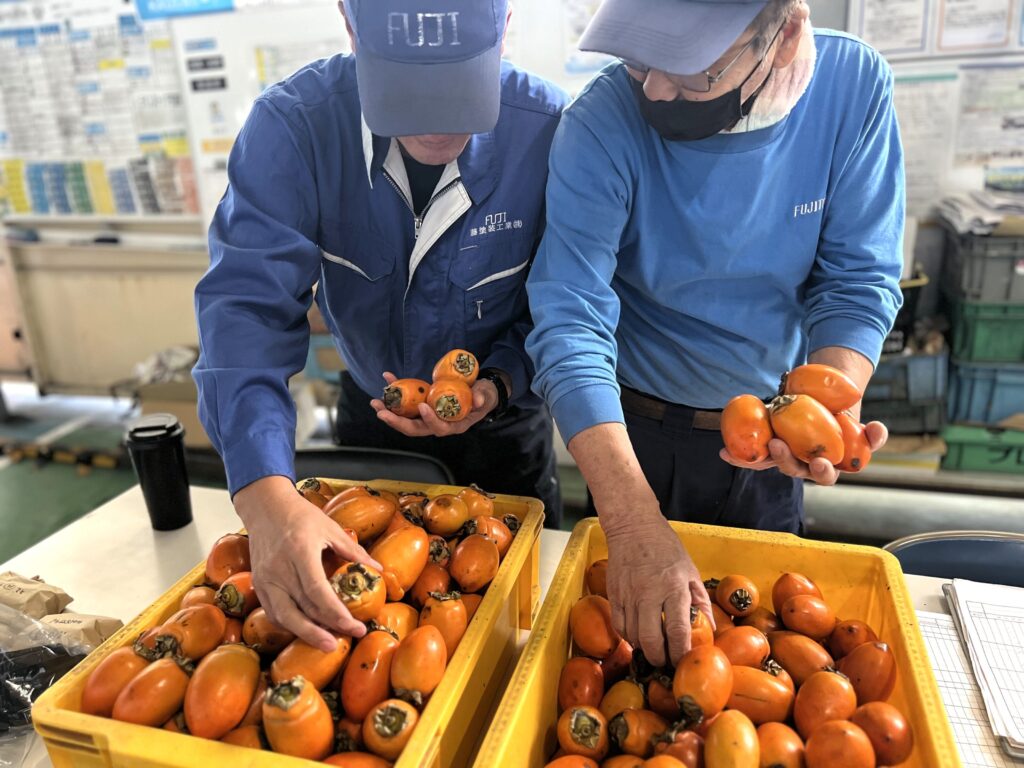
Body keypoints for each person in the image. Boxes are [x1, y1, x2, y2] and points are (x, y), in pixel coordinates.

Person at [526, 0, 903, 667]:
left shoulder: (851, 88)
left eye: (692, 70)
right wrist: (633, 520)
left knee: (765, 649)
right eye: (639, 59)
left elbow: (855, 277)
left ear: (781, 37)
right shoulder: (601, 122)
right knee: (626, 651)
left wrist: (827, 407)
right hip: (633, 442)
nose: (656, 90)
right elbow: (569, 317)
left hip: (772, 436)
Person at [193, 0, 567, 651]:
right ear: (349, 23)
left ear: (505, 27)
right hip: (373, 418)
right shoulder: (297, 129)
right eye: (409, 91)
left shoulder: (551, 133)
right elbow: (245, 312)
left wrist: (500, 383)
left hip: (506, 434)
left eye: (457, 87)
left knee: (516, 640)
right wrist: (264, 497)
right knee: (364, 627)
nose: (436, 121)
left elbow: (565, 305)